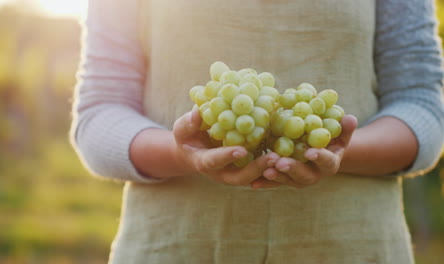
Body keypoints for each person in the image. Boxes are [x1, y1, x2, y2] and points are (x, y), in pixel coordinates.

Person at [70, 0, 444, 263]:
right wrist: (177, 152)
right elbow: (99, 115)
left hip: (354, 247)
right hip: (174, 248)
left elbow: (423, 108)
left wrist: (343, 150)